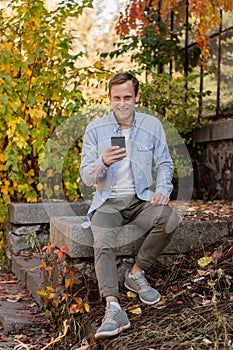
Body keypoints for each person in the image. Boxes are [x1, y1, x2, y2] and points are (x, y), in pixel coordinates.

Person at [79, 72, 179, 339]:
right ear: (109, 98)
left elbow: (165, 163)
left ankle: (136, 273)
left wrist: (161, 190)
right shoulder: (96, 129)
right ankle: (113, 307)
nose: (121, 103)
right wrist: (103, 162)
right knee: (102, 242)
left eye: (127, 97)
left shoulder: (152, 125)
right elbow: (86, 176)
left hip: (141, 199)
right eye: (116, 98)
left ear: (136, 97)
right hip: (108, 202)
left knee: (169, 218)